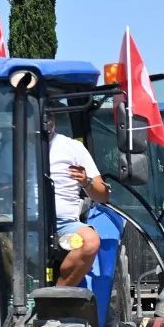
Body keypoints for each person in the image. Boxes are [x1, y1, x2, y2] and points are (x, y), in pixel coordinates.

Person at [47, 115, 110, 287]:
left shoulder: (72, 147)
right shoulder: (12, 147)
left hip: (63, 224)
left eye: (49, 114)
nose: (45, 119)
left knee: (90, 241)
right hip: (20, 221)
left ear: (54, 118)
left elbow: (103, 195)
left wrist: (86, 181)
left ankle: (57, 296)